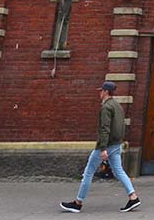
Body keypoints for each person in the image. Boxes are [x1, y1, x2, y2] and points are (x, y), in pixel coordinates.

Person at [60, 81, 141, 213]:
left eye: (101, 90)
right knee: (119, 171)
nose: (100, 92)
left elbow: (104, 129)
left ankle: (78, 202)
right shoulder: (118, 106)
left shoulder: (106, 108)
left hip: (106, 145)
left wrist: (103, 148)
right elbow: (120, 126)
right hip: (116, 144)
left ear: (106, 92)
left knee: (88, 172)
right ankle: (133, 197)